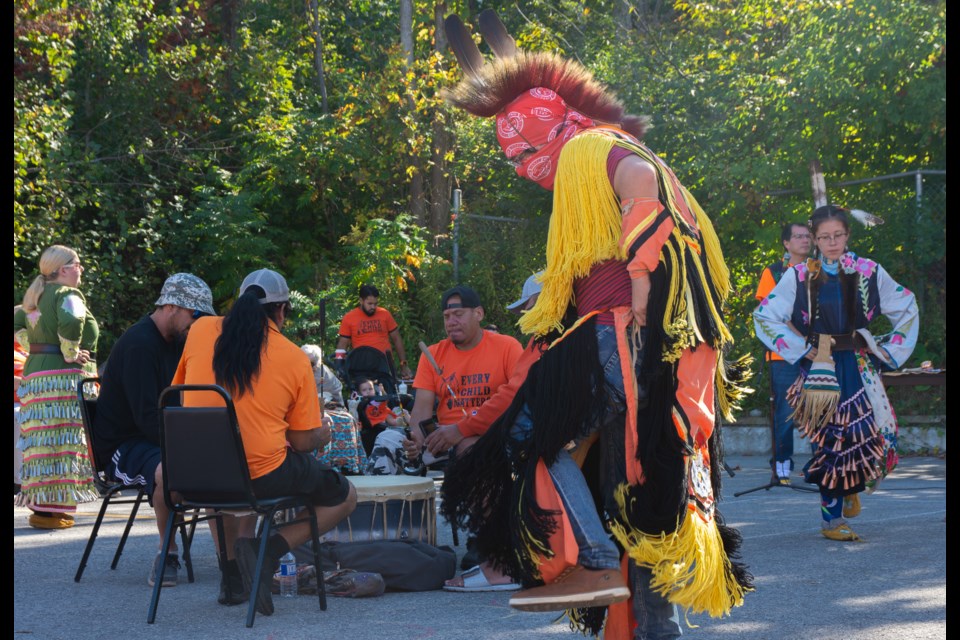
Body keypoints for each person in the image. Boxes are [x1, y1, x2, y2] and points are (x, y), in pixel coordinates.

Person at [439, 17, 752, 638]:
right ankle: (629, 602)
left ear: (554, 130)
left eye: (525, 151)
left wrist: (639, 275)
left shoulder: (593, 149)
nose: (520, 167)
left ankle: (595, 564)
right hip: (650, 356)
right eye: (510, 158)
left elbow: (639, 185)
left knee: (530, 441)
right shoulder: (594, 151)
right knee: (629, 500)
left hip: (615, 341)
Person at [172, 268, 357, 616]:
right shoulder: (293, 357)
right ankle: (266, 552)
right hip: (258, 476)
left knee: (223, 472)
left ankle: (233, 578)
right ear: (282, 310)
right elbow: (301, 443)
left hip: (193, 474)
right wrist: (321, 433)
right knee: (345, 497)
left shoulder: (198, 331)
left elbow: (182, 396)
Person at [754, 205, 918, 541]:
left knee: (868, 434)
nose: (832, 242)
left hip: (858, 364)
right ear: (814, 238)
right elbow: (764, 316)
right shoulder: (799, 275)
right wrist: (799, 348)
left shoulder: (868, 271)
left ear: (848, 235)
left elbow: (906, 306)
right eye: (825, 237)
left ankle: (850, 488)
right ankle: (832, 521)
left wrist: (886, 350)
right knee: (830, 440)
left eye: (838, 235)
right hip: (821, 365)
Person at [93, 273, 216, 590]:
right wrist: (190, 446)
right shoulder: (139, 345)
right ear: (173, 306)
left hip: (157, 437)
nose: (198, 323)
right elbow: (147, 418)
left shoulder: (177, 342)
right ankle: (168, 551)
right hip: (124, 445)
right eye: (196, 315)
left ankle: (232, 556)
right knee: (170, 468)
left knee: (219, 458)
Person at [14, 245, 99, 530]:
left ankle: (42, 509)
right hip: (63, 380)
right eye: (77, 264)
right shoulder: (68, 295)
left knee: (41, 442)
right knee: (64, 442)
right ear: (63, 270)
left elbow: (17, 323)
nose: (81, 269)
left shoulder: (34, 296)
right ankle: (56, 510)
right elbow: (73, 320)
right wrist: (70, 352)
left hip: (36, 380)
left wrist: (33, 349)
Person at [754, 222, 812, 484]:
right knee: (786, 411)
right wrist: (798, 338)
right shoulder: (774, 273)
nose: (805, 240)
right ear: (786, 244)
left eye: (808, 236)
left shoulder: (818, 269)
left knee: (818, 407)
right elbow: (770, 313)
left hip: (816, 351)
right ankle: (782, 466)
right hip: (783, 354)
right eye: (798, 237)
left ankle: (819, 466)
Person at [301, 344, 367, 475]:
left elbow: (337, 392)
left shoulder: (324, 372)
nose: (311, 367)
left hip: (330, 405)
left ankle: (348, 465)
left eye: (313, 363)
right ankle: (321, 463)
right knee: (325, 420)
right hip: (306, 409)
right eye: (307, 363)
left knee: (347, 419)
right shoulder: (296, 372)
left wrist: (340, 407)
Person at [335, 284, 413, 380]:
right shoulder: (349, 317)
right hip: (361, 367)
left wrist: (403, 364)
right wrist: (339, 367)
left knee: (390, 392)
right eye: (370, 303)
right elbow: (342, 344)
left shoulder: (384, 314)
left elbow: (397, 339)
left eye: (375, 304)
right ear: (361, 301)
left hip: (385, 365)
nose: (373, 307)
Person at [14, 309, 29, 496]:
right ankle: (18, 481)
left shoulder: (33, 349)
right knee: (18, 416)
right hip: (18, 402)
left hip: (35, 399)